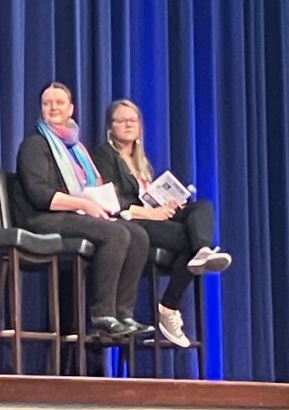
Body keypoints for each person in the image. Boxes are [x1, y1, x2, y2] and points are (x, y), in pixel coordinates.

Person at [14, 82, 152, 337]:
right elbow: (40, 195)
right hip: (43, 218)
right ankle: (102, 314)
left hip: (72, 215)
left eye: (59, 103)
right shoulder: (34, 145)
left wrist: (99, 201)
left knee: (139, 235)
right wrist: (84, 204)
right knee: (115, 234)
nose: (53, 108)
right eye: (47, 103)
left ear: (71, 109)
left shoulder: (76, 148)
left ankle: (124, 314)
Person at [92, 98, 232, 347]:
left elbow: (147, 198)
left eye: (133, 120)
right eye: (121, 121)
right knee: (188, 240)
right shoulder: (104, 155)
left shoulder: (141, 162)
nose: (128, 125)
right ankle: (168, 307)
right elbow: (114, 201)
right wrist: (153, 214)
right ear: (110, 127)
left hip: (152, 215)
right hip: (131, 223)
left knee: (201, 207)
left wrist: (166, 206)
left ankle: (201, 252)